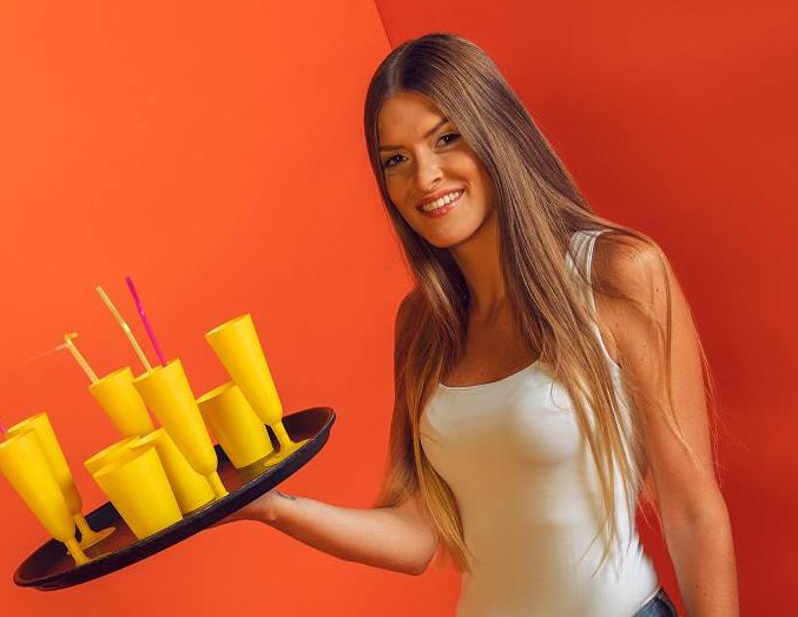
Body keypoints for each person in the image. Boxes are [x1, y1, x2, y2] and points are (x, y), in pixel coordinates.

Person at [219, 33, 739, 617]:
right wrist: (271, 505)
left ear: (497, 133)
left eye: (446, 138)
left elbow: (692, 509)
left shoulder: (617, 273)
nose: (425, 177)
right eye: (396, 159)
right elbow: (416, 535)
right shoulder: (422, 324)